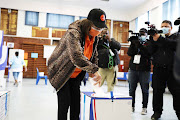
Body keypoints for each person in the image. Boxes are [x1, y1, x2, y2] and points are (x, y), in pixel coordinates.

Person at [47, 8, 107, 120]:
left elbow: (94, 55)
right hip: (61, 72)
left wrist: (93, 70)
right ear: (89, 24)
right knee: (64, 104)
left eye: (101, 28)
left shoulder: (95, 37)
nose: (99, 31)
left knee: (76, 105)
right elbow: (76, 56)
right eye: (97, 28)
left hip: (76, 74)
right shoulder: (73, 33)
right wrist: (94, 70)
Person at [147, 20, 180, 120]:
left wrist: (160, 39)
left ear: (171, 28)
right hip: (158, 69)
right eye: (162, 26)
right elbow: (150, 51)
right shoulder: (156, 38)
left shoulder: (176, 36)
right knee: (157, 91)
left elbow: (175, 45)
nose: (164, 27)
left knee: (177, 92)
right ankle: (157, 112)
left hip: (172, 70)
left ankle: (178, 112)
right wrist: (153, 40)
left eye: (166, 26)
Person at [127, 28, 151, 115]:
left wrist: (141, 46)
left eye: (143, 34)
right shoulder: (135, 42)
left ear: (146, 35)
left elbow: (149, 54)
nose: (141, 36)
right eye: (140, 34)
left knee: (145, 89)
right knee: (131, 89)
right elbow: (129, 53)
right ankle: (132, 106)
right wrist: (134, 44)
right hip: (133, 69)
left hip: (144, 70)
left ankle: (144, 107)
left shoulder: (149, 43)